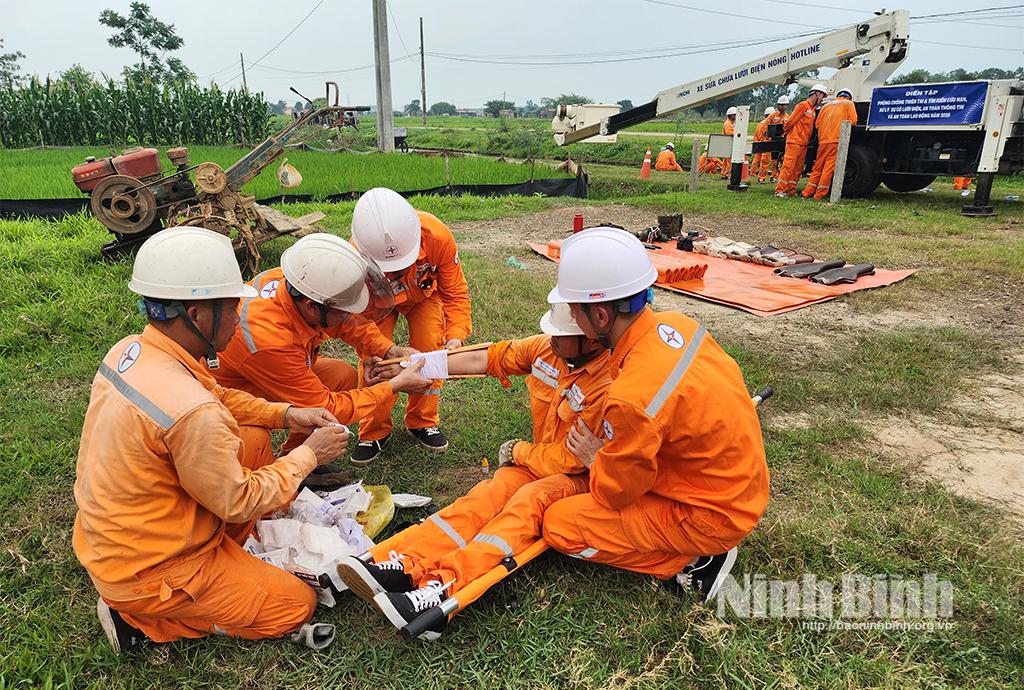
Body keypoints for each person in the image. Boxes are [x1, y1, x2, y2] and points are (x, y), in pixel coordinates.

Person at [73, 227, 352, 654]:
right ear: (198, 315)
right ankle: (139, 620)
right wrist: (308, 456)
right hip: (153, 567)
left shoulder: (132, 350)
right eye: (232, 307)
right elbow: (237, 499)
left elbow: (216, 395)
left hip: (122, 532)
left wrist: (287, 413)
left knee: (255, 439)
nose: (240, 317)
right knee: (296, 605)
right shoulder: (191, 413)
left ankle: (227, 557)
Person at [335, 303, 612, 639]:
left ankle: (443, 586)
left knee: (528, 502)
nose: (551, 337)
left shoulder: (609, 382)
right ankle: (405, 565)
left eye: (560, 334)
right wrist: (409, 367)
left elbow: (572, 459)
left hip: (581, 477)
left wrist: (517, 450)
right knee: (487, 495)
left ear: (592, 339)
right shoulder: (546, 348)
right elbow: (486, 358)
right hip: (538, 462)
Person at [540, 227, 770, 602]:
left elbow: (615, 493)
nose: (570, 320)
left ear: (600, 315)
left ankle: (694, 560)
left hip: (712, 514)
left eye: (573, 310)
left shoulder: (632, 398)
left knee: (561, 525)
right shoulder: (679, 324)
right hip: (741, 486)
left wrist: (595, 459)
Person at [210, 233, 434, 465]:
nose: (350, 316)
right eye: (345, 310)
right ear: (312, 308)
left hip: (268, 371)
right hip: (229, 399)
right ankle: (287, 468)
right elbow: (325, 407)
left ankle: (294, 454)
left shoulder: (301, 281)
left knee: (341, 377)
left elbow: (347, 323)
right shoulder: (269, 339)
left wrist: (388, 349)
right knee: (256, 440)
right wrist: (393, 385)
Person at [349, 188, 473, 464]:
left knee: (431, 349)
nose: (395, 271)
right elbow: (356, 320)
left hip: (423, 297)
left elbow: (455, 293)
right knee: (373, 361)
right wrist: (381, 348)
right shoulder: (355, 256)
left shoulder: (438, 237)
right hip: (376, 306)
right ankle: (372, 430)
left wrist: (455, 337)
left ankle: (422, 421)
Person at [801, 89, 858, 200]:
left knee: (817, 167)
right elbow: (854, 121)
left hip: (823, 141)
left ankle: (807, 191)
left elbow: (817, 125)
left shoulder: (826, 106)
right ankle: (820, 194)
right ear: (848, 97)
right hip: (836, 140)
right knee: (828, 167)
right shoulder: (849, 103)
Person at [775, 84, 828, 197]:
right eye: (822, 96)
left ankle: (790, 190)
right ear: (817, 94)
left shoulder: (812, 110)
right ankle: (780, 190)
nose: (823, 99)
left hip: (803, 143)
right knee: (788, 167)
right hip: (794, 142)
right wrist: (788, 135)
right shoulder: (803, 105)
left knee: (797, 169)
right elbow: (790, 122)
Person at [767, 95, 791, 182]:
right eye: (781, 105)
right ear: (778, 105)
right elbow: (766, 125)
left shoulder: (788, 117)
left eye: (784, 105)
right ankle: (773, 176)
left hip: (783, 140)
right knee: (774, 160)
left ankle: (779, 176)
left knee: (782, 160)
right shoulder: (773, 115)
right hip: (774, 140)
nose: (783, 107)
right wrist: (766, 136)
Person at [752, 106, 775, 184]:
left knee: (756, 161)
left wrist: (757, 142)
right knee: (766, 162)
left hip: (759, 143)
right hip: (767, 144)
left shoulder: (760, 123)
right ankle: (763, 178)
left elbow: (756, 134)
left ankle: (752, 173)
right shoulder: (769, 124)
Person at [718, 106, 739, 178]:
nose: (736, 116)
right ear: (731, 115)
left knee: (726, 160)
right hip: (727, 143)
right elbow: (729, 133)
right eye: (735, 115)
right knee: (728, 160)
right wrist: (737, 134)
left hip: (728, 143)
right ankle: (726, 173)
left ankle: (724, 173)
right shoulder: (728, 123)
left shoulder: (732, 122)